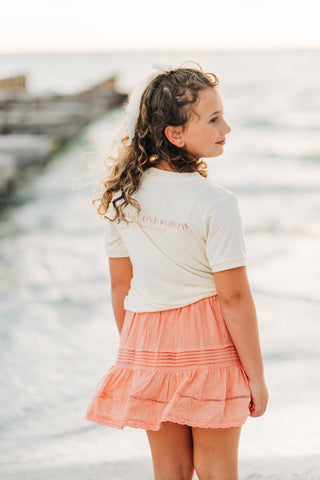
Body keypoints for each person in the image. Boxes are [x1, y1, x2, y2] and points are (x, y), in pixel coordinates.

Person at [86, 63, 269, 480]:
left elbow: (121, 286)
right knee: (217, 470)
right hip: (208, 341)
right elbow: (234, 297)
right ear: (175, 134)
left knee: (171, 471)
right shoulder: (216, 202)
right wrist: (256, 379)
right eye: (214, 119)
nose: (228, 126)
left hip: (145, 338)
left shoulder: (122, 195)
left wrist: (138, 357)